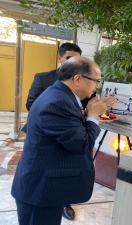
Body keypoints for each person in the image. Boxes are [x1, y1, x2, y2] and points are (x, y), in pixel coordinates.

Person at [11, 56, 117, 225]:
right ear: (77, 79)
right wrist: (93, 116)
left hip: (45, 186)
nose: (97, 86)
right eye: (96, 81)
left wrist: (88, 114)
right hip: (41, 192)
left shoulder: (59, 94)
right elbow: (83, 144)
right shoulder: (58, 102)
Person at [23, 43, 84, 220]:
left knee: (64, 170)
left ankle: (65, 202)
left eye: (77, 59)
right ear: (59, 58)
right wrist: (58, 113)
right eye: (69, 58)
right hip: (44, 133)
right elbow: (31, 103)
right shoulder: (43, 78)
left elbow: (84, 105)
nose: (73, 62)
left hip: (69, 132)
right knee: (42, 171)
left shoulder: (80, 80)